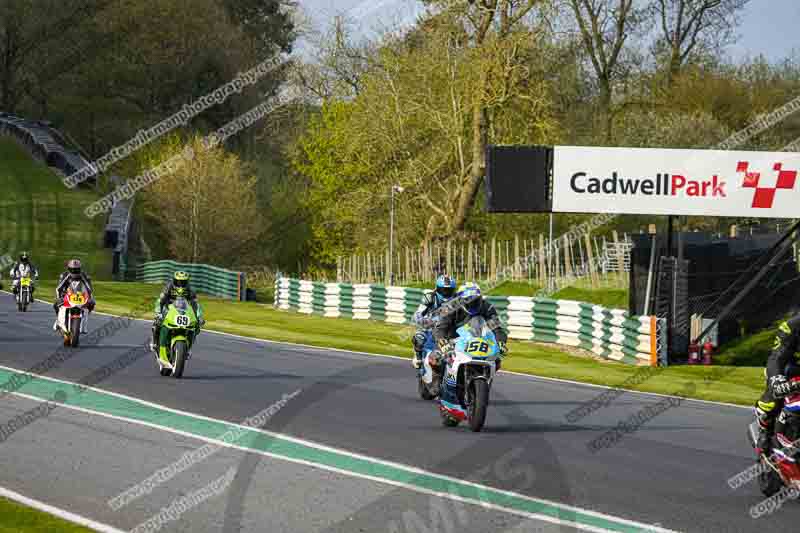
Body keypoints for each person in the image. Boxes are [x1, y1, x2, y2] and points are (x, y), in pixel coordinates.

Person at [432, 282, 509, 419]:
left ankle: (481, 387)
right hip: (453, 340)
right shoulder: (451, 307)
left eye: (475, 300)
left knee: (496, 359)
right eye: (468, 300)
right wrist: (443, 342)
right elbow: (440, 328)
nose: (472, 303)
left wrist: (501, 342)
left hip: (478, 341)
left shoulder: (487, 307)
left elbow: (497, 329)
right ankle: (441, 388)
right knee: (437, 359)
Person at [754, 314, 800, 455]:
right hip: (792, 371)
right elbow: (776, 358)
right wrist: (777, 380)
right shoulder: (792, 326)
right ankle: (765, 430)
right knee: (772, 399)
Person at [411, 274, 458, 369]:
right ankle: (418, 356)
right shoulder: (430, 297)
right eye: (443, 290)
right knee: (419, 337)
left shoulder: (457, 300)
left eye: (449, 291)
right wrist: (422, 320)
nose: (445, 293)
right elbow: (418, 313)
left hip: (450, 330)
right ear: (437, 289)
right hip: (430, 327)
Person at [151, 271, 204, 352]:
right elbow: (160, 300)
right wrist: (158, 313)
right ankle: (154, 342)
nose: (180, 284)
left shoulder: (190, 289)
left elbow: (196, 304)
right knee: (157, 322)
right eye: (178, 282)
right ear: (174, 280)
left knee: (196, 327)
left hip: (183, 310)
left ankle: (188, 347)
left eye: (183, 282)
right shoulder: (169, 287)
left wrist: (199, 317)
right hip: (168, 308)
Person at [53, 259, 95, 332]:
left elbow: (89, 289)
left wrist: (91, 298)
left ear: (80, 269)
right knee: (56, 304)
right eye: (72, 270)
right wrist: (59, 298)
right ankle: (58, 320)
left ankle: (85, 319)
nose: (74, 272)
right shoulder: (65, 275)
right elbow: (58, 288)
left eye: (76, 270)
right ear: (69, 269)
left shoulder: (84, 275)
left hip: (80, 295)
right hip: (66, 294)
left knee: (92, 303)